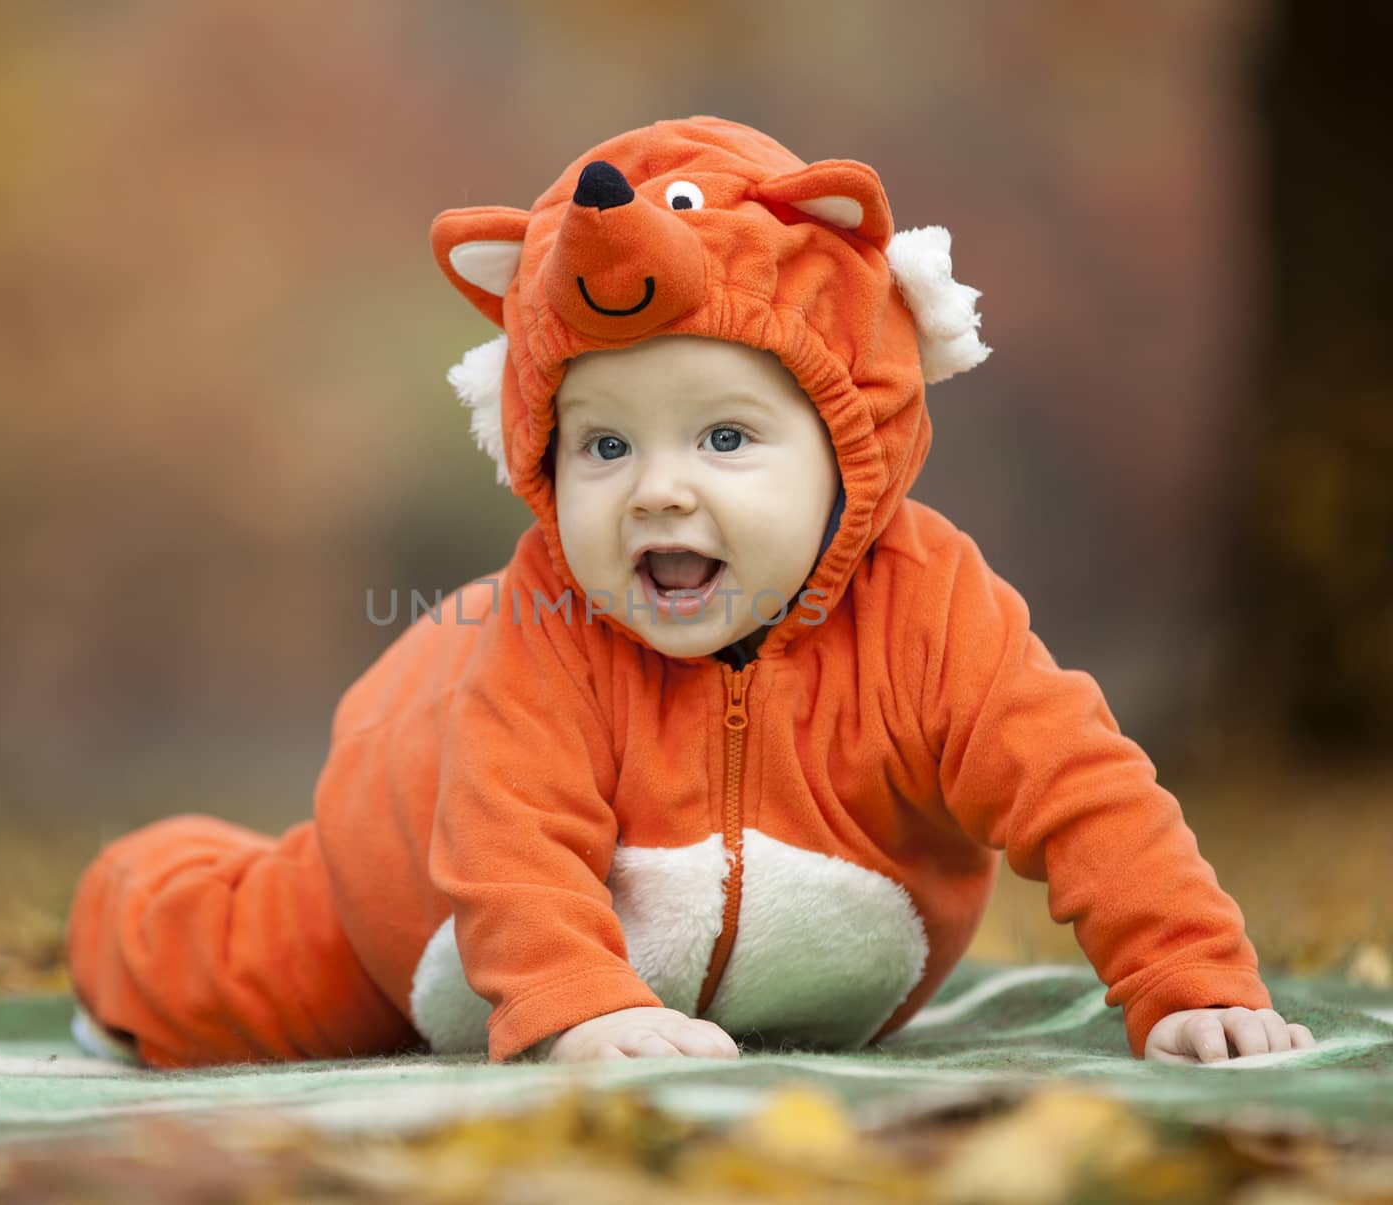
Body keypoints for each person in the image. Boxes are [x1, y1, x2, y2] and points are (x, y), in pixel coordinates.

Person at [67, 115, 1315, 1069]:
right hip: (409, 883)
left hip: (801, 933)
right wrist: (581, 1006)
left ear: (850, 445)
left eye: (724, 438)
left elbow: (1082, 786)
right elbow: (508, 831)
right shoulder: (548, 627)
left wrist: (1188, 974)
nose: (657, 492)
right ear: (545, 464)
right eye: (605, 447)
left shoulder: (935, 614)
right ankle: (139, 897)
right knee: (240, 986)